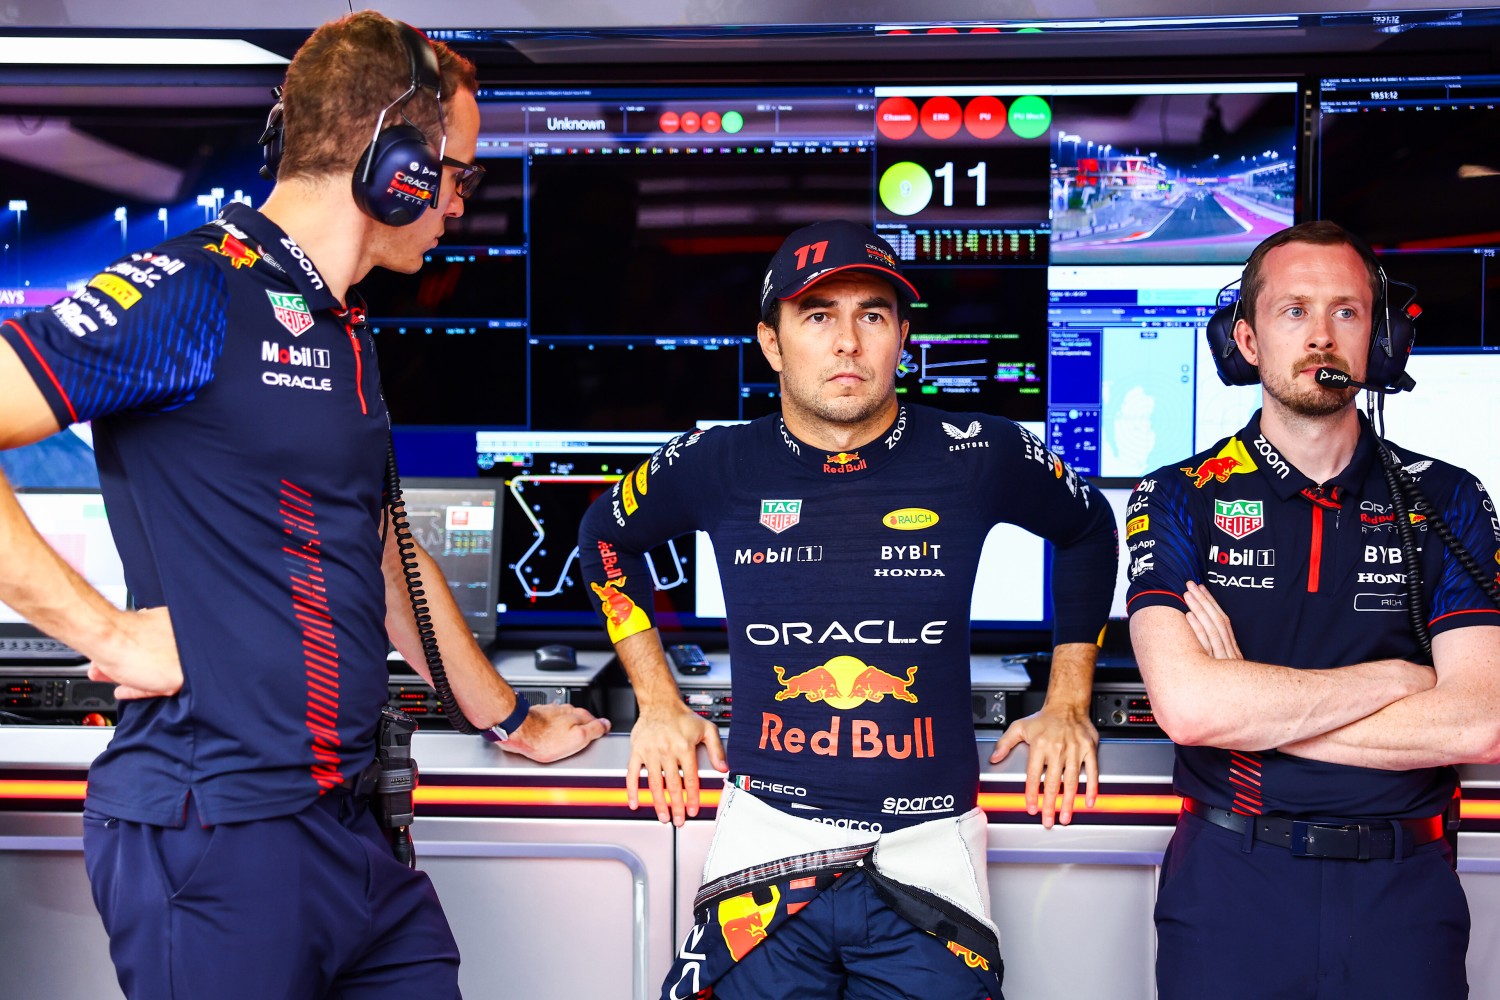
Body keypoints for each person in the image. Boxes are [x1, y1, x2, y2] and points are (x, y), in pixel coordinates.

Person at [0, 12, 608, 999]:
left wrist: (505, 717)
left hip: (348, 830)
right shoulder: (192, 291)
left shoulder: (339, 324)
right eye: (459, 175)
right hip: (216, 831)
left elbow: (379, 552)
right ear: (396, 168)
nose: (460, 205)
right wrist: (103, 631)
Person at [577, 220, 1118, 999]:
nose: (847, 343)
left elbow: (1090, 530)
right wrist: (657, 702)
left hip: (929, 853)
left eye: (871, 315)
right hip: (766, 849)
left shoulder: (983, 450)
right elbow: (604, 537)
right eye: (818, 316)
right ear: (773, 343)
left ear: (902, 335)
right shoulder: (715, 460)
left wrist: (1069, 699)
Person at [1126, 220, 1500, 999]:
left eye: (1347, 312)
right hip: (1233, 887)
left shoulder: (1450, 498)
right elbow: (1192, 710)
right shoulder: (1176, 495)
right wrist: (1402, 677)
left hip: (1408, 893)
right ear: (1248, 340)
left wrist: (1257, 705)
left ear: (1381, 339)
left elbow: (1477, 724)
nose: (1321, 336)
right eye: (1293, 311)